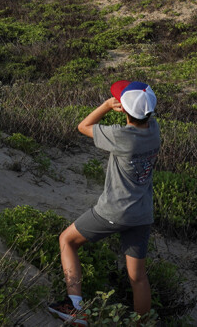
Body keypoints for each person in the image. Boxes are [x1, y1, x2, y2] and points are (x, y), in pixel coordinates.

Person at [48, 81, 161, 324]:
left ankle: (75, 307)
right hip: (142, 214)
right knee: (138, 277)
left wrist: (106, 106)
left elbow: (83, 126)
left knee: (67, 240)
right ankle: (142, 323)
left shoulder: (122, 137)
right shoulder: (154, 130)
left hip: (114, 211)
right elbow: (141, 116)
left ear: (124, 109)